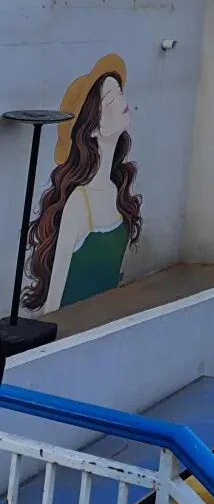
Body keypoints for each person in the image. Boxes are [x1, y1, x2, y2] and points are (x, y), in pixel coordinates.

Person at [22, 55, 143, 314]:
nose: (122, 101)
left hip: (104, 323)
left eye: (120, 93)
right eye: (111, 99)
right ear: (92, 129)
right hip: (74, 327)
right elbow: (55, 297)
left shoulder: (117, 191)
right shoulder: (79, 203)